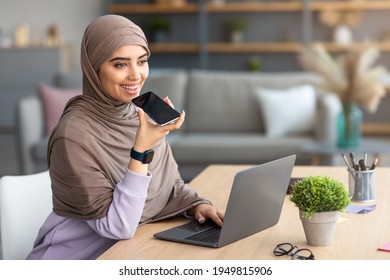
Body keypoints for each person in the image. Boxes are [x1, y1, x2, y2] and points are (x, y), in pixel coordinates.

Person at [26, 14, 224, 260]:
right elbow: (117, 227)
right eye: (120, 64)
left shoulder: (139, 114)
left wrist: (198, 205)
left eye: (141, 61)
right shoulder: (73, 137)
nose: (136, 75)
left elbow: (169, 186)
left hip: (130, 253)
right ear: (93, 67)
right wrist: (140, 151)